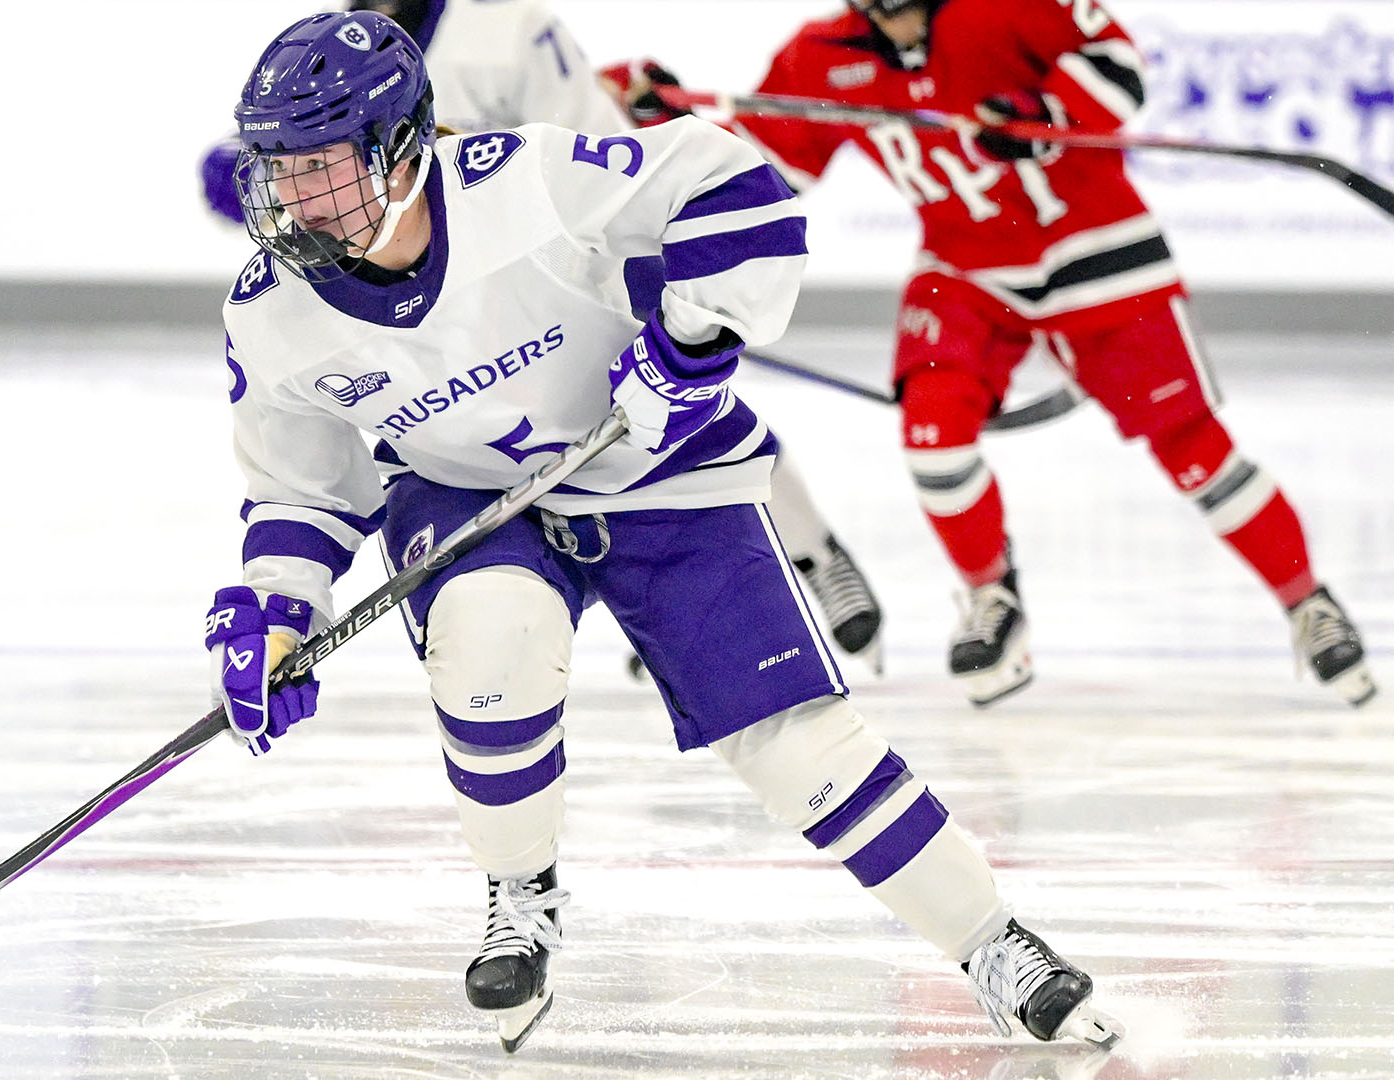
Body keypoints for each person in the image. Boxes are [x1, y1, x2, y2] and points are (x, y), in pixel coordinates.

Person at [205, 8, 1120, 1055]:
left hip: (654, 469)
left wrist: (686, 344)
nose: (297, 204)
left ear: (405, 145)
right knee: (488, 652)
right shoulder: (270, 309)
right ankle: (519, 886)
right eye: (280, 172)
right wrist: (274, 609)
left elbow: (742, 191)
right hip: (463, 494)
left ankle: (992, 940)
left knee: (794, 742)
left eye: (325, 168)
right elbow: (300, 488)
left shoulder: (525, 180)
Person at [611, 0, 1375, 707]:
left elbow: (1114, 57)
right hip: (967, 270)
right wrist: (669, 122)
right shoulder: (822, 54)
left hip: (1100, 251)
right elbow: (765, 165)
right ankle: (992, 599)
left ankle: (1309, 602)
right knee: (933, 435)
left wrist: (1047, 115)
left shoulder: (1001, 7)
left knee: (1192, 450)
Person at [200, 0, 888, 673]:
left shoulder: (506, 28)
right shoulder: (324, 56)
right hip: (472, 319)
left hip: (564, 277)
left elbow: (589, 154)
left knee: (679, 415)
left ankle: (813, 551)